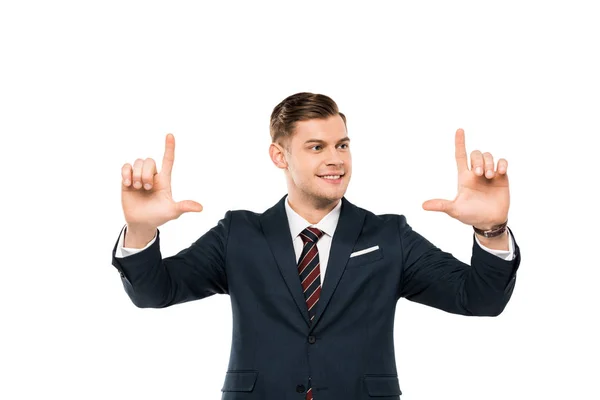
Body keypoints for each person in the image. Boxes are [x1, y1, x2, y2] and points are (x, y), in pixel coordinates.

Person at [111, 92, 520, 399]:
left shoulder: (387, 236)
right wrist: (142, 231)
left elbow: (480, 299)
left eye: (342, 144)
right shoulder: (239, 235)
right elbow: (154, 293)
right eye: (316, 147)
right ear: (279, 155)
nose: (336, 159)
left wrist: (491, 229)